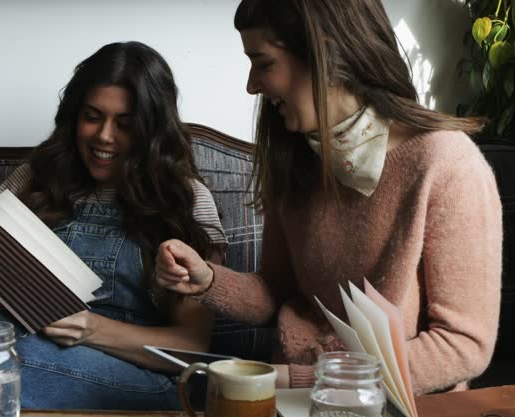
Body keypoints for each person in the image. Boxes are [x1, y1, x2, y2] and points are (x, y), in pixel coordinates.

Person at [154, 0, 502, 395]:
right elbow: (276, 294)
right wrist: (206, 279)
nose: (251, 85)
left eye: (264, 63)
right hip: (293, 403)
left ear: (327, 54)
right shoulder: (297, 159)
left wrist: (314, 381)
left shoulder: (447, 163)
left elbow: (464, 347)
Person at [0, 41, 227, 410]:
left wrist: (90, 328)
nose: (104, 136)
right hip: (32, 338)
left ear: (152, 131)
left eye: (125, 124)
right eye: (92, 116)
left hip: (135, 374)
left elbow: (191, 348)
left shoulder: (187, 199)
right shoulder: (36, 177)